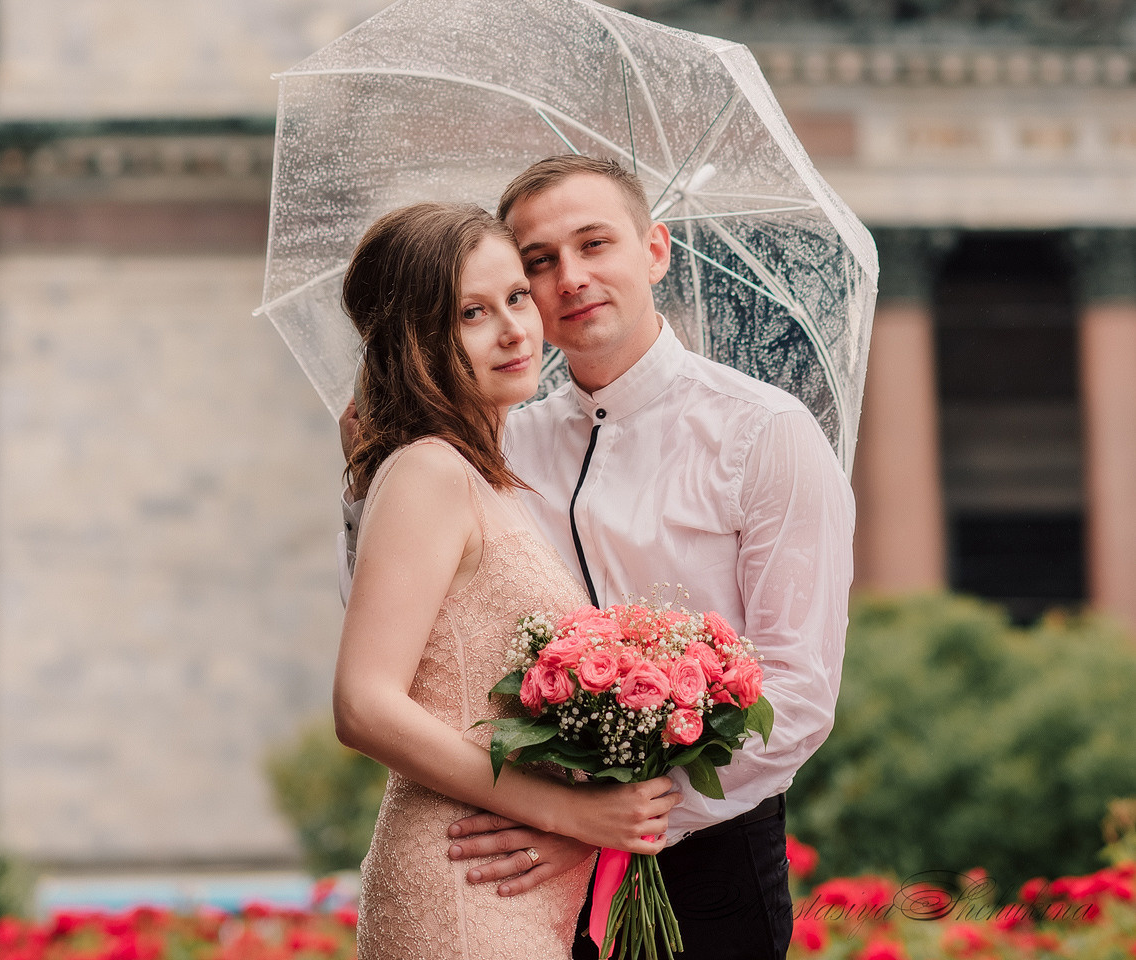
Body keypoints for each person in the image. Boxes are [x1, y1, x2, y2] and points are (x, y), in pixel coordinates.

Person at [340, 157, 856, 960]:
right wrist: (364, 484)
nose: (569, 278)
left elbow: (798, 691)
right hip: (516, 853)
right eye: (537, 264)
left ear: (654, 250)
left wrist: (620, 824)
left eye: (595, 244)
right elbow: (414, 644)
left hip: (705, 850)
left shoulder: (765, 432)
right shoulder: (493, 444)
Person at [331, 200, 681, 960]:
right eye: (472, 313)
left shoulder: (488, 480)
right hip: (464, 877)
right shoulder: (429, 470)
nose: (517, 329)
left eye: (517, 297)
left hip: (516, 888)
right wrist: (568, 813)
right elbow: (364, 704)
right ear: (416, 341)